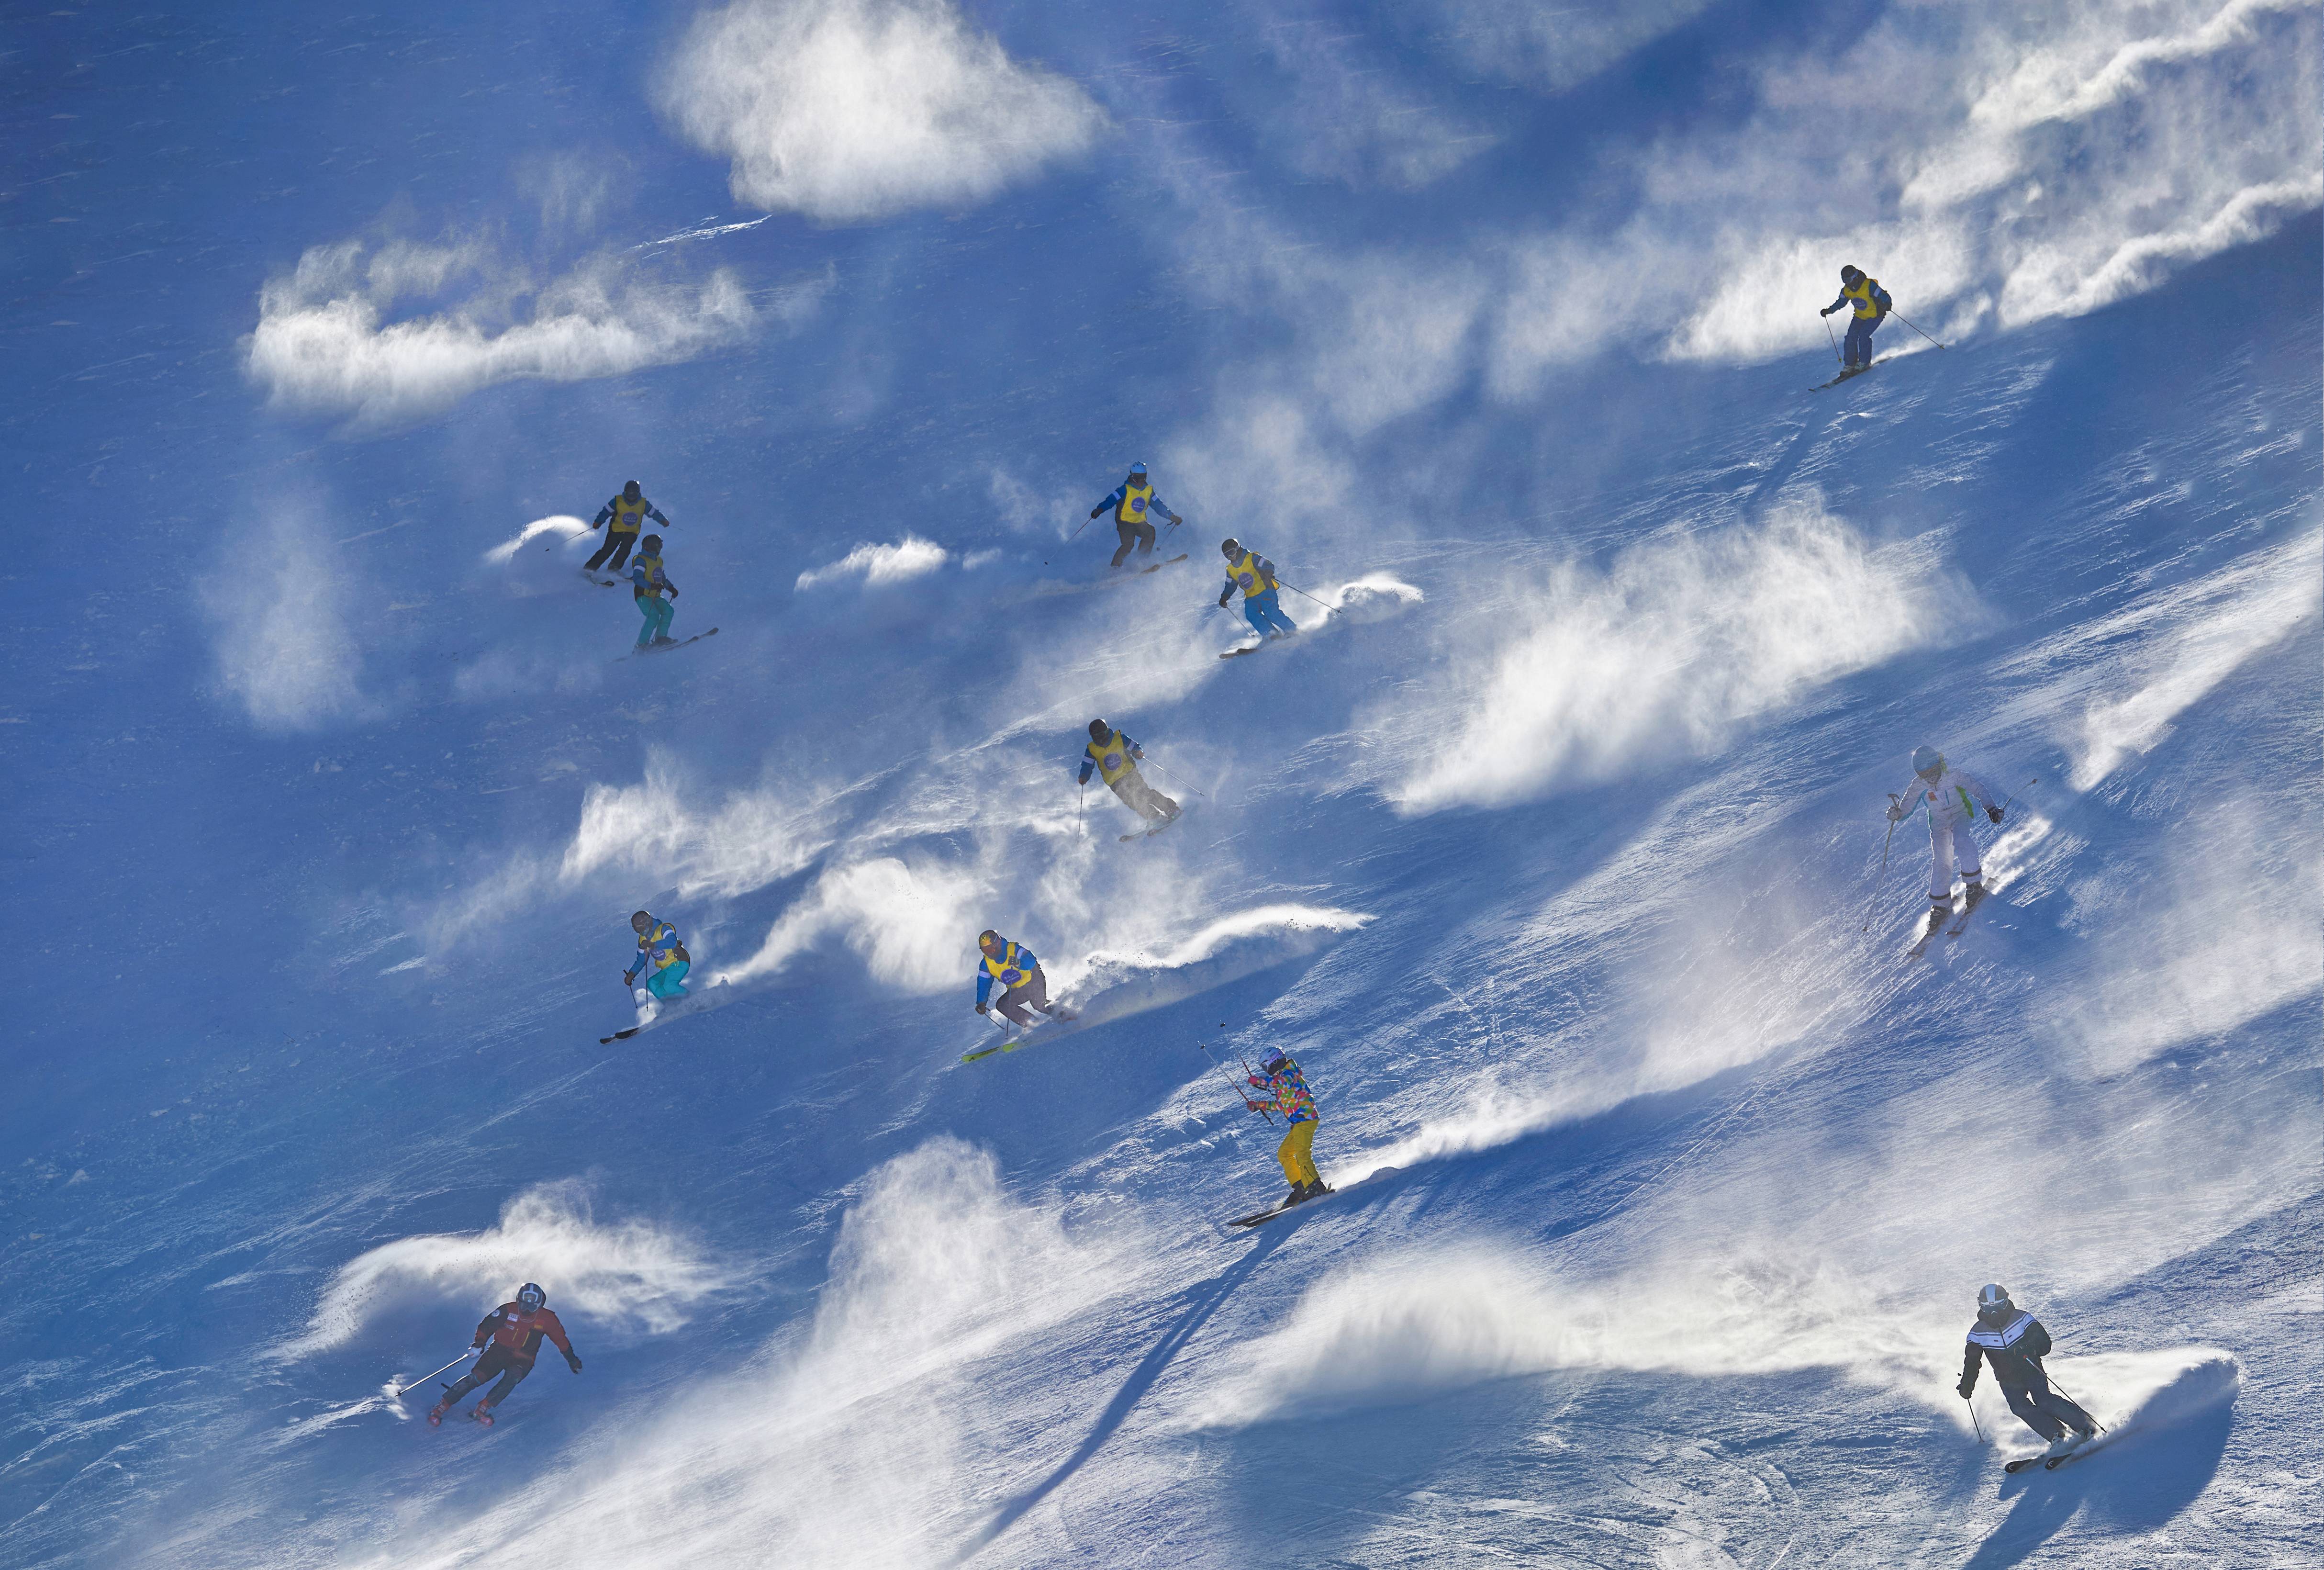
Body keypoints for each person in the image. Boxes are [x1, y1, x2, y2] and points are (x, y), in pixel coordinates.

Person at [1958, 1283, 2096, 1461]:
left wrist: (2028, 1347)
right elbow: (1972, 1362)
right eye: (1989, 1309)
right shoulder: (1977, 1333)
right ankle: (2059, 1435)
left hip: (2031, 1369)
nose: (1995, 1314)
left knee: (2044, 1401)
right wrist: (1967, 1385)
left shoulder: (2022, 1318)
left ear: (2006, 1302)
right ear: (1982, 1307)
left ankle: (2086, 1426)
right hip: (2008, 1380)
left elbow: (2045, 1344)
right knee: (2019, 1407)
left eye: (1999, 1307)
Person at [428, 1282, 582, 1428]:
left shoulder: (548, 1319)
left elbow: (561, 1340)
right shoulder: (507, 1311)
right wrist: (479, 1344)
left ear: (539, 1305)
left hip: (525, 1358)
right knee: (477, 1377)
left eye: (531, 1307)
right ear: (518, 1300)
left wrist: (572, 1360)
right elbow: (487, 1326)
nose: (526, 1311)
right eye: (523, 1305)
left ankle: (484, 1406)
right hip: (499, 1351)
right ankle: (443, 1404)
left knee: (512, 1378)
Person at [1885, 746, 2004, 921]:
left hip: (1960, 813)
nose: (1931, 777)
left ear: (1939, 764)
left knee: (1962, 841)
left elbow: (1978, 789)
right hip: (1939, 821)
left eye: (1932, 771)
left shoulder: (1953, 775)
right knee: (1942, 859)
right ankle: (1940, 904)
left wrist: (1991, 808)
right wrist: (1897, 814)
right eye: (1925, 774)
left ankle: (1974, 885)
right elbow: (1906, 808)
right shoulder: (1918, 785)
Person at [1245, 1054, 1329, 1207]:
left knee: (1302, 1154)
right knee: (1284, 1153)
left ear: (1274, 1061)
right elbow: (1281, 1105)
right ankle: (1301, 1188)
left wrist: (1258, 1081)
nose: (1266, 1070)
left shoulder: (1289, 1073)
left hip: (1305, 1120)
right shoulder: (1283, 1081)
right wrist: (1259, 1105)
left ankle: (1316, 1187)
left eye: (1266, 1066)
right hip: (1299, 1123)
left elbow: (1279, 1083)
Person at [1078, 719, 1180, 828]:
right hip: (1114, 782)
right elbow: (1087, 765)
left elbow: (1135, 747)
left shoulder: (1119, 738)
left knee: (1144, 794)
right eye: (1096, 736)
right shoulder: (1092, 749)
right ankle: (1154, 817)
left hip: (1129, 773)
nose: (1100, 738)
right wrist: (1084, 776)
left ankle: (1171, 809)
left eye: (1102, 735)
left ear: (1107, 731)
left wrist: (1138, 752)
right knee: (1132, 802)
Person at [1088, 462, 1184, 570]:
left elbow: (1159, 506)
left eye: (1144, 478)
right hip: (1124, 522)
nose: (1141, 481)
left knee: (1150, 532)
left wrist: (1172, 517)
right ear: (1133, 477)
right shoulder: (1124, 489)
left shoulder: (1149, 491)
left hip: (1139, 522)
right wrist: (1100, 509)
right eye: (1138, 478)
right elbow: (1111, 500)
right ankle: (1114, 568)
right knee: (1128, 544)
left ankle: (1141, 562)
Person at [973, 929, 1065, 1029]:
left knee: (1039, 1005)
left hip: (1034, 980)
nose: (989, 954)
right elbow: (984, 984)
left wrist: (1018, 963)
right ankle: (1035, 1026)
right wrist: (981, 1002)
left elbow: (1031, 960)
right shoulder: (986, 963)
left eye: (991, 950)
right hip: (1018, 989)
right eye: (985, 951)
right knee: (1003, 1005)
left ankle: (1064, 1014)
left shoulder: (1013, 949)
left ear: (998, 944)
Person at [1217, 538, 1296, 639]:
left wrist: (1267, 572)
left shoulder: (1252, 558)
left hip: (1265, 590)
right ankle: (1272, 634)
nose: (1230, 557)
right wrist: (1224, 597)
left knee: (1271, 613)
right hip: (1251, 596)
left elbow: (1268, 565)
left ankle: (1291, 630)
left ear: (1237, 549)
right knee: (1251, 615)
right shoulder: (1231, 570)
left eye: (1231, 553)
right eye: (1227, 555)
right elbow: (1230, 585)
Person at [586, 481, 671, 574]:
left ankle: (614, 567)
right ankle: (590, 568)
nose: (631, 496)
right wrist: (598, 522)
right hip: (616, 531)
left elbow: (654, 513)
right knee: (607, 550)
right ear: (625, 492)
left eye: (634, 493)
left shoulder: (644, 503)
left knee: (625, 550)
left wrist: (663, 520)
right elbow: (605, 512)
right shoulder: (617, 501)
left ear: (638, 493)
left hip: (632, 532)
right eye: (629, 493)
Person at [1820, 265, 1892, 372]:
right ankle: (1850, 364)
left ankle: (1864, 362)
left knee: (1864, 335)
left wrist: (1887, 304)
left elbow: (1884, 295)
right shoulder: (1846, 291)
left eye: (1848, 280)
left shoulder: (1868, 285)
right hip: (1860, 317)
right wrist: (1829, 310)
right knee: (1850, 337)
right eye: (1844, 281)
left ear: (1855, 277)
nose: (1847, 283)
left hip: (1875, 316)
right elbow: (1841, 303)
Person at [628, 535, 679, 651]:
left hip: (655, 595)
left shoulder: (659, 561)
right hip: (643, 595)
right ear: (651, 547)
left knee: (668, 611)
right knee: (653, 616)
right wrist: (651, 586)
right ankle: (641, 645)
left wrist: (671, 588)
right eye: (659, 546)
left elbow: (662, 578)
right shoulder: (641, 561)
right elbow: (637, 579)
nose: (660, 549)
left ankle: (660, 638)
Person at [624, 909, 690, 1000]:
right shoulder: (643, 939)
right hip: (667, 968)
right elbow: (641, 960)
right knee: (652, 983)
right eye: (638, 931)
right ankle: (670, 1004)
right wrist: (632, 974)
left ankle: (692, 1000)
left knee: (669, 986)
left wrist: (653, 945)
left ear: (648, 922)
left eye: (642, 929)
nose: (641, 932)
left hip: (679, 961)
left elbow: (672, 942)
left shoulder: (664, 928)